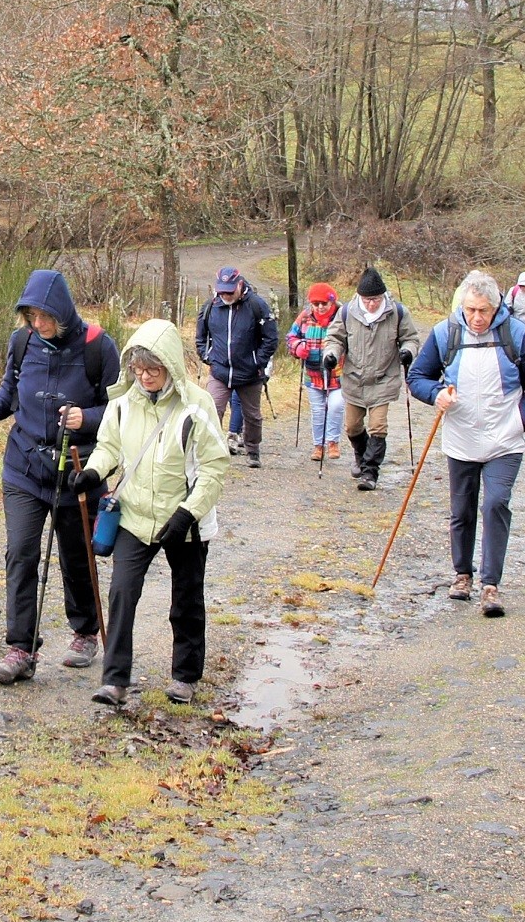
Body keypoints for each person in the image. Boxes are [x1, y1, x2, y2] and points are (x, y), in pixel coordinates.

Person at [0, 269, 121, 684]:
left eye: (45, 316)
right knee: (21, 551)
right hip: (25, 468)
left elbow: (122, 411)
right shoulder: (24, 342)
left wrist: (88, 418)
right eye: (31, 316)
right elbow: (9, 395)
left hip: (77, 470)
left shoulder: (98, 348)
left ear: (63, 312)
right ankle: (20, 648)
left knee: (75, 555)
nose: (38, 324)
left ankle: (84, 632)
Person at [71, 319, 230, 707]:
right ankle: (114, 680)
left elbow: (214, 467)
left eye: (153, 370)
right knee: (122, 592)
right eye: (138, 370)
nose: (144, 377)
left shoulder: (197, 404)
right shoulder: (123, 403)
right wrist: (94, 471)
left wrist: (188, 514)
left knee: (186, 598)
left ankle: (185, 676)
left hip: (185, 519)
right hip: (135, 514)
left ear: (170, 366)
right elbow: (108, 446)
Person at [407, 270, 525, 618]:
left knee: (496, 503)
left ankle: (490, 584)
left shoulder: (516, 334)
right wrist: (436, 393)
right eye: (470, 309)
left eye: (483, 310)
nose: (476, 317)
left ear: (497, 306)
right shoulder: (446, 333)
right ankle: (462, 575)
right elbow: (416, 378)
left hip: (505, 438)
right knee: (462, 509)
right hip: (461, 437)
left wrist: (520, 421)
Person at [324, 268, 421, 491]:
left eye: (375, 299)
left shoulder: (397, 312)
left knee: (378, 426)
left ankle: (370, 472)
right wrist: (331, 355)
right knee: (352, 426)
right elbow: (335, 338)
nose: (371, 305)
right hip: (354, 378)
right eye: (367, 300)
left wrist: (408, 352)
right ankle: (361, 456)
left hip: (384, 378)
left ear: (383, 296)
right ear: (360, 297)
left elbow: (411, 339)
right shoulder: (348, 312)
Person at [195, 266, 279, 468]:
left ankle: (253, 449)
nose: (225, 296)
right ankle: (209, 452)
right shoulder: (211, 306)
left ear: (240, 285)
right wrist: (208, 357)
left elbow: (271, 338)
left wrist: (258, 362)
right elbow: (201, 336)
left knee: (252, 415)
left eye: (230, 292)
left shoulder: (257, 305)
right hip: (220, 370)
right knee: (213, 409)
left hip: (249, 373)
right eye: (222, 291)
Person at [287, 282, 345, 463]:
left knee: (335, 406)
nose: (320, 307)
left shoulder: (343, 317)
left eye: (324, 304)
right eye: (316, 304)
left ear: (332, 302)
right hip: (312, 375)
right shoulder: (305, 317)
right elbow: (291, 336)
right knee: (318, 411)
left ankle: (333, 441)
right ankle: (318, 445)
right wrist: (297, 348)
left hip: (339, 374)